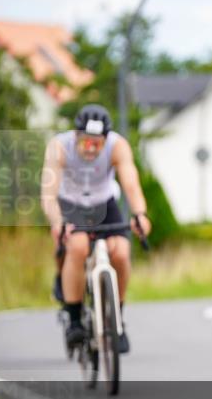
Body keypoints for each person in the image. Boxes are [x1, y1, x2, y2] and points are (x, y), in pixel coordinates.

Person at [41, 104, 152, 353]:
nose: (91, 148)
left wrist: (140, 214)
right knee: (78, 246)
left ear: (105, 140)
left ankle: (117, 322)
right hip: (71, 203)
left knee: (121, 253)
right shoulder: (59, 147)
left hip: (104, 202)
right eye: (86, 142)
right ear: (76, 136)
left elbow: (130, 183)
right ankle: (73, 319)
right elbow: (48, 194)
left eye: (97, 143)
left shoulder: (117, 146)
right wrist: (57, 222)